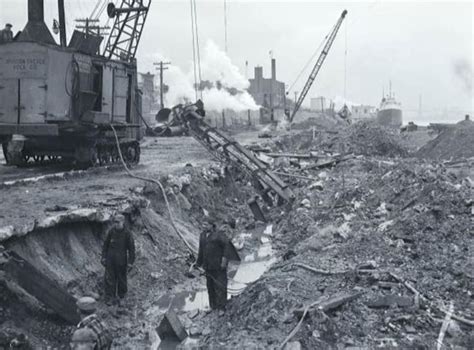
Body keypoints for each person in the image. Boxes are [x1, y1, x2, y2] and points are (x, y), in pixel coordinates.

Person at [196, 218, 231, 310]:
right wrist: (198, 263)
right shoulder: (202, 236)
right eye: (203, 224)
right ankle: (213, 305)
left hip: (219, 265)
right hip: (208, 266)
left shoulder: (219, 235)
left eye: (206, 224)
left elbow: (227, 247)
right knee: (210, 286)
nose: (204, 226)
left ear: (212, 225)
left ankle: (222, 307)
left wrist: (224, 260)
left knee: (220, 286)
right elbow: (201, 250)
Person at [101, 214, 135, 302]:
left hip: (121, 260)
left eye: (118, 222)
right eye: (115, 222)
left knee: (122, 279)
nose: (116, 224)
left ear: (123, 222)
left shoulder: (127, 234)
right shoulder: (111, 231)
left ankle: (122, 297)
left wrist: (130, 263)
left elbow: (132, 249)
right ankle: (109, 297)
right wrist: (103, 257)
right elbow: (105, 245)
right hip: (110, 260)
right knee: (109, 279)